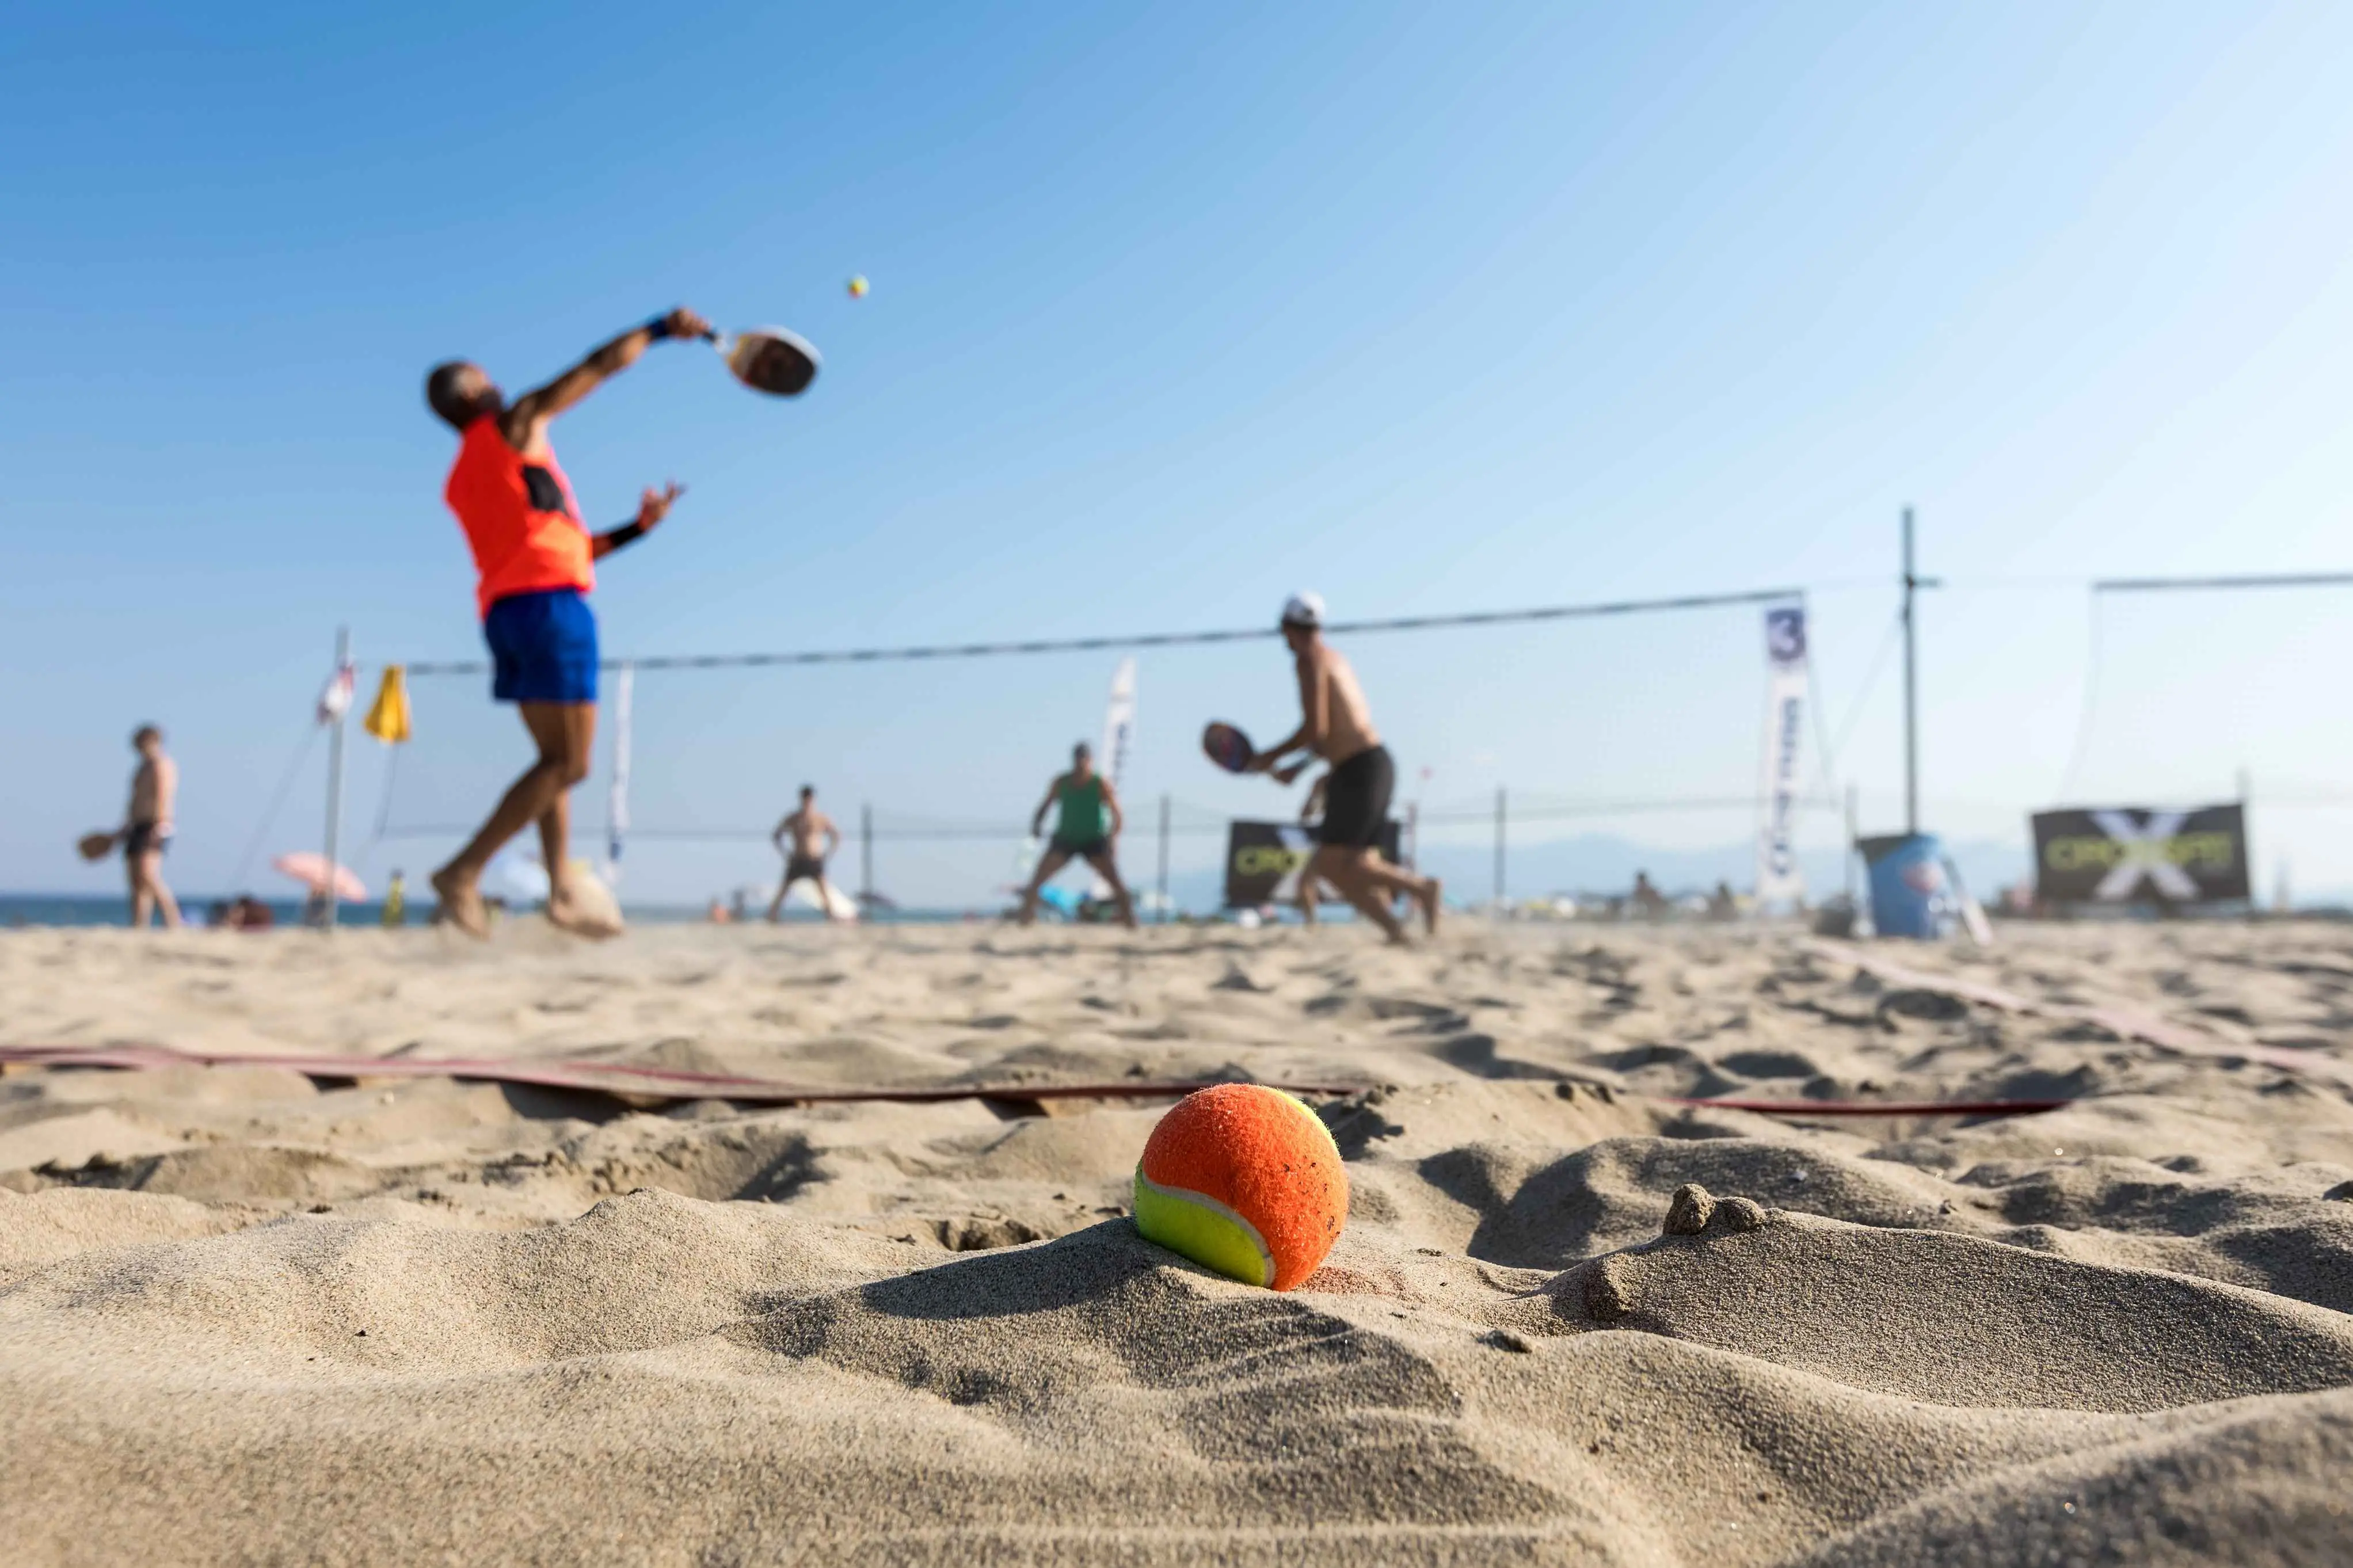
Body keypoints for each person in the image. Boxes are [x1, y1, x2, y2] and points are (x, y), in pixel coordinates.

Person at [420, 306, 710, 938]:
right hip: (551, 610)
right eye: (484, 377)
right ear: (470, 393)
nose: (497, 382)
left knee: (553, 762)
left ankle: (560, 893)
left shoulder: (467, 474)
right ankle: (462, 872)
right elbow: (596, 367)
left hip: (506, 614)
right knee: (571, 765)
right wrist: (660, 329)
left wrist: (637, 529)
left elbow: (563, 546)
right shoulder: (514, 425)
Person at [1245, 593, 1441, 944]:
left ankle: (1416, 899)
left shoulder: (1309, 660)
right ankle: (1405, 921)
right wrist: (1297, 767)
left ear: (1288, 628)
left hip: (1359, 770)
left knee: (1331, 866)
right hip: (1374, 764)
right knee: (1358, 864)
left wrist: (1269, 757)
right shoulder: (1335, 658)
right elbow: (1331, 734)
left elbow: (1315, 729)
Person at [1017, 742, 1139, 929]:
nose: (1081, 763)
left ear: (1090, 761)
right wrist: (1037, 824)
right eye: (1078, 759)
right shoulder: (1061, 782)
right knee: (1038, 878)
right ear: (1073, 760)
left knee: (1115, 880)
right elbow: (1045, 805)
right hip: (1066, 839)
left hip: (1093, 840)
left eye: (1084, 759)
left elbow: (1117, 813)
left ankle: (1130, 920)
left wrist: (1113, 838)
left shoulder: (1099, 783)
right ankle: (1025, 919)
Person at [119, 725, 181, 929]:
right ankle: (139, 923)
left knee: (149, 874)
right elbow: (135, 800)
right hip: (136, 825)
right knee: (136, 879)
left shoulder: (162, 764)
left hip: (156, 824)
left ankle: (173, 920)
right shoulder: (142, 767)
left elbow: (164, 795)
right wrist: (124, 827)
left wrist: (162, 824)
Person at [766, 786, 848, 922]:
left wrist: (828, 853)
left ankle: (830, 915)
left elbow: (836, 836)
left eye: (809, 799)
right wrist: (785, 853)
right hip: (797, 859)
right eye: (805, 798)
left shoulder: (820, 818)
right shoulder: (793, 818)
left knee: (823, 889)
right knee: (784, 889)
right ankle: (772, 915)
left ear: (813, 799)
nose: (807, 802)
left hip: (814, 859)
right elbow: (776, 835)